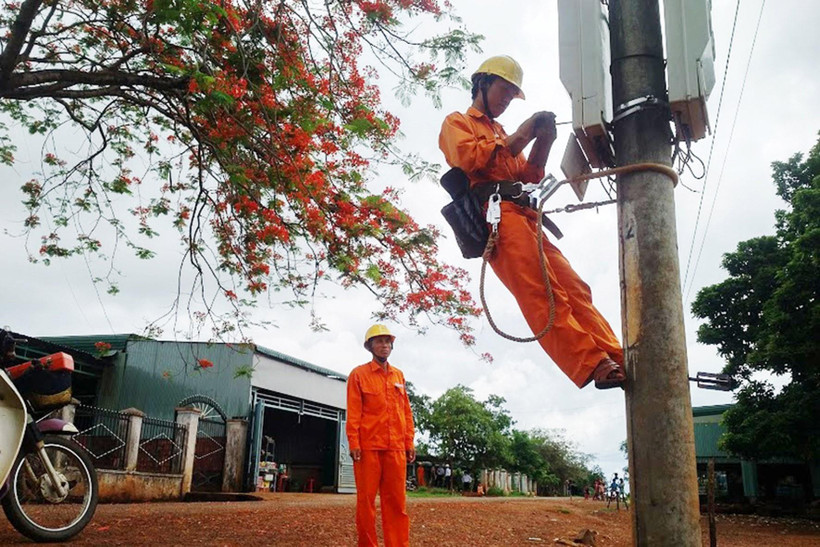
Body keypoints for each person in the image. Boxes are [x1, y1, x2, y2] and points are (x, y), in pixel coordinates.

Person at [438, 55, 625, 390]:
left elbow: (530, 176)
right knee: (543, 293)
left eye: (513, 95)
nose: (507, 100)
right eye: (504, 91)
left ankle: (615, 354)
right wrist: (524, 134)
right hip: (497, 216)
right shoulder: (458, 123)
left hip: (525, 214)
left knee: (575, 289)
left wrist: (545, 140)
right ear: (482, 84)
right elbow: (469, 157)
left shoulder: (500, 131)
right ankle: (592, 363)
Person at [346, 324, 416, 547]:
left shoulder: (398, 376)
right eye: (379, 341)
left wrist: (409, 441)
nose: (384, 345)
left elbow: (405, 410)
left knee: (397, 502)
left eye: (387, 341)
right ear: (370, 346)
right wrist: (354, 441)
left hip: (395, 448)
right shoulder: (358, 375)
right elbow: (354, 411)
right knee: (366, 502)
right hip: (368, 448)